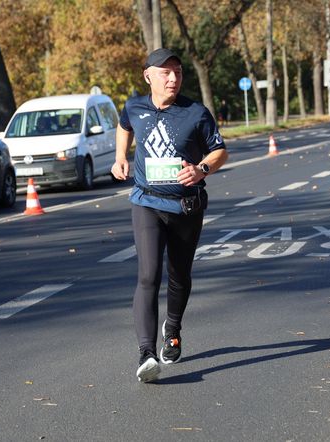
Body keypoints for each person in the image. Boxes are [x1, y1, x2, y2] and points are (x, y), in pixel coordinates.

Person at [111, 48, 228, 383]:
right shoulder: (134, 106)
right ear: (148, 76)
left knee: (179, 275)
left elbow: (220, 149)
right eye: (165, 73)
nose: (173, 78)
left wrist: (202, 169)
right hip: (146, 201)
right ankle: (146, 353)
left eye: (177, 72)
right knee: (148, 275)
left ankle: (172, 329)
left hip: (185, 207)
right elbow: (124, 126)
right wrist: (121, 156)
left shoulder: (195, 112)